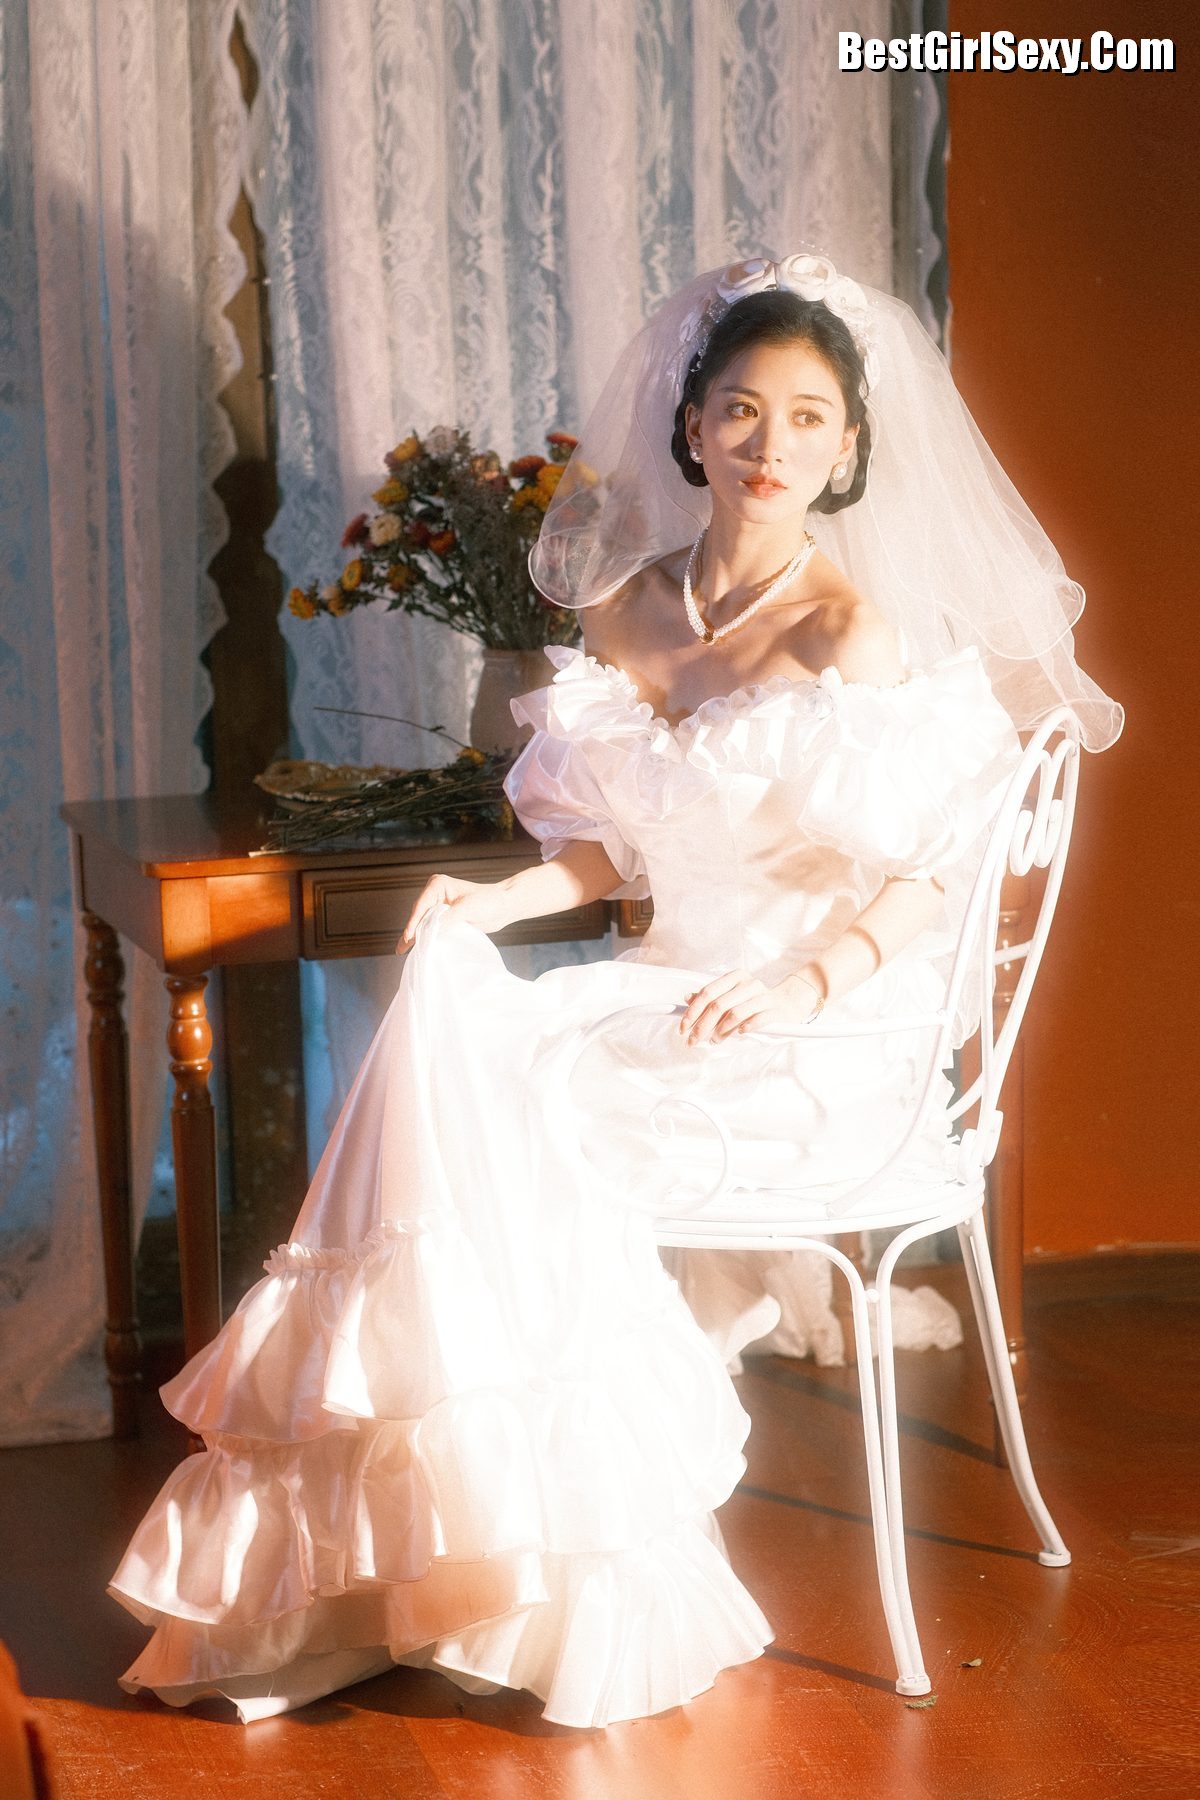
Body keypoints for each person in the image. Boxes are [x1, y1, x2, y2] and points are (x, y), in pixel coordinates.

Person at [108, 251, 1122, 1730]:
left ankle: (577, 1568)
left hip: (816, 1029)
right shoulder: (636, 610)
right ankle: (444, 1556)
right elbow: (600, 856)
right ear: (692, 423)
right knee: (459, 1042)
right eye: (744, 409)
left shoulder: (848, 630)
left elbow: (924, 879)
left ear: (848, 447)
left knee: (527, 1119)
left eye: (809, 419)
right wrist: (489, 901)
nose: (771, 445)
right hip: (665, 996)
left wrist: (797, 984)